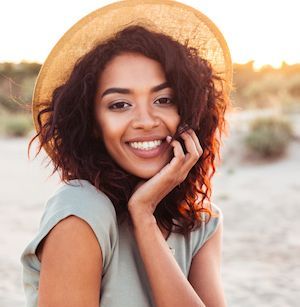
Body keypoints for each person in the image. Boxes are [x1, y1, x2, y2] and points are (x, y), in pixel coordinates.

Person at [21, 1, 232, 306]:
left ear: (189, 112)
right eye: (120, 104)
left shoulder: (201, 220)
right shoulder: (81, 211)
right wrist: (142, 212)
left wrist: (144, 215)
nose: (146, 121)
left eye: (163, 99)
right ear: (93, 124)